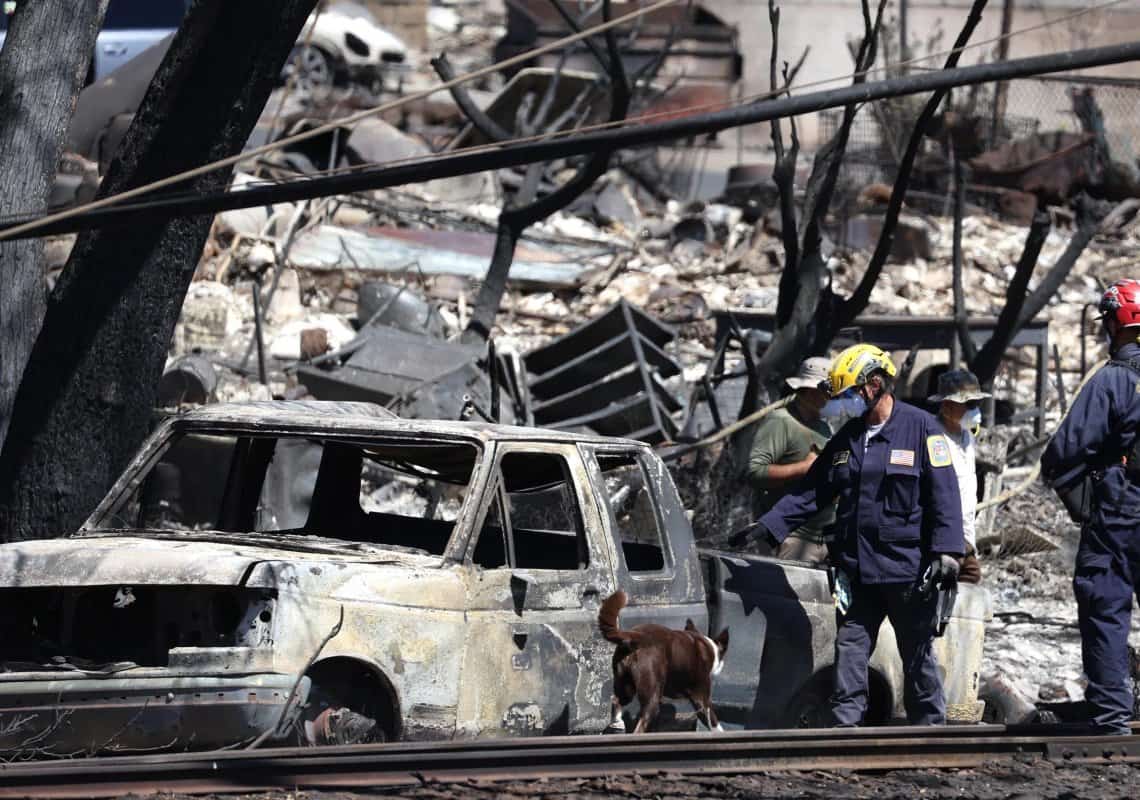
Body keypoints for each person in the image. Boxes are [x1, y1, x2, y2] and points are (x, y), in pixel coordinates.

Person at [731, 343, 964, 726]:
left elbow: (945, 494)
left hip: (908, 572)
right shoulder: (848, 438)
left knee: (917, 655)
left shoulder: (922, 428)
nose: (842, 404)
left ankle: (929, 730)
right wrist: (769, 525)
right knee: (851, 649)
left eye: (848, 394)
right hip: (857, 571)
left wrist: (948, 551)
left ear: (874, 385)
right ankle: (844, 728)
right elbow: (814, 491)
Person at [1041, 279, 1140, 736]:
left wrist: (1087, 505)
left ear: (1115, 326)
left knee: (1105, 607)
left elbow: (1062, 453)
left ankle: (1112, 718)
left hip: (1120, 514)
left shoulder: (1112, 381)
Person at [746, 357, 834, 563]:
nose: (831, 397)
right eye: (828, 391)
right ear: (812, 391)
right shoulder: (780, 421)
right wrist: (803, 468)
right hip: (791, 538)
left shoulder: (822, 427)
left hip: (823, 538)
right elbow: (754, 472)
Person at [929, 369, 990, 584]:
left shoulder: (966, 436)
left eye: (976, 404)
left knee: (970, 584)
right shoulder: (932, 438)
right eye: (968, 404)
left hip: (965, 537)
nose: (974, 410)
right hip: (942, 539)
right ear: (947, 406)